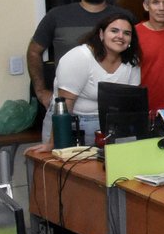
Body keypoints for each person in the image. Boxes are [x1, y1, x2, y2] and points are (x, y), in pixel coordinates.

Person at [28, 0, 133, 109]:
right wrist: (40, 91)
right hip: (65, 106)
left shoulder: (123, 18)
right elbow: (34, 51)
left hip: (112, 107)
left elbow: (134, 55)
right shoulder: (57, 16)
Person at [49, 11, 142, 146]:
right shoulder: (80, 57)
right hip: (71, 124)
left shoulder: (132, 62)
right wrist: (54, 143)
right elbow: (65, 106)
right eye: (114, 31)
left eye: (127, 33)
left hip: (109, 127)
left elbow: (129, 104)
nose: (120, 36)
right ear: (101, 34)